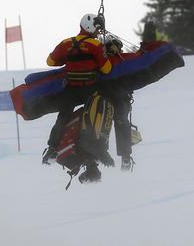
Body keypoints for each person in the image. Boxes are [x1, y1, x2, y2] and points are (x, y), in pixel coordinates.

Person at [41, 13, 112, 181]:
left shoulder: (66, 44)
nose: (97, 32)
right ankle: (92, 159)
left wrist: (67, 59)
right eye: (97, 29)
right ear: (91, 27)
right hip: (90, 90)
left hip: (71, 91)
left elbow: (50, 61)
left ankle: (52, 148)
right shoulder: (95, 45)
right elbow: (107, 69)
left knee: (63, 117)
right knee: (94, 119)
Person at [102, 36, 135, 171]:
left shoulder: (124, 61)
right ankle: (99, 154)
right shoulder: (103, 61)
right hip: (106, 98)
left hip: (121, 98)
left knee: (121, 121)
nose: (115, 50)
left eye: (117, 47)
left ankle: (126, 157)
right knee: (101, 124)